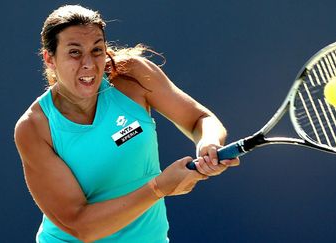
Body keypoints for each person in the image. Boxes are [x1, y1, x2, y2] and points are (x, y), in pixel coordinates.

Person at [14, 5, 239, 243]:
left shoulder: (133, 76)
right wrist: (159, 188)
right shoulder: (34, 128)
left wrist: (209, 144)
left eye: (97, 49)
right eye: (74, 52)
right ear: (50, 59)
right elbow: (81, 226)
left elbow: (200, 120)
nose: (89, 63)